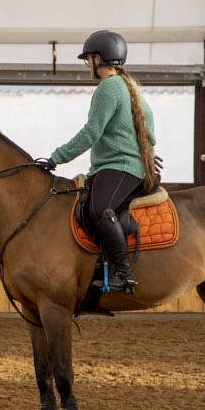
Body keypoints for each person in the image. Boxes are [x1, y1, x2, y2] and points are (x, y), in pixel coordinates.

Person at [46, 30, 157, 293]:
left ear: (98, 59)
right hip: (124, 165)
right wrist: (147, 154)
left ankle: (124, 274)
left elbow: (91, 133)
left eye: (88, 60)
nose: (88, 66)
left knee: (100, 210)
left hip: (120, 166)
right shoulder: (130, 86)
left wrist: (55, 158)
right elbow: (149, 130)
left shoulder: (108, 87)